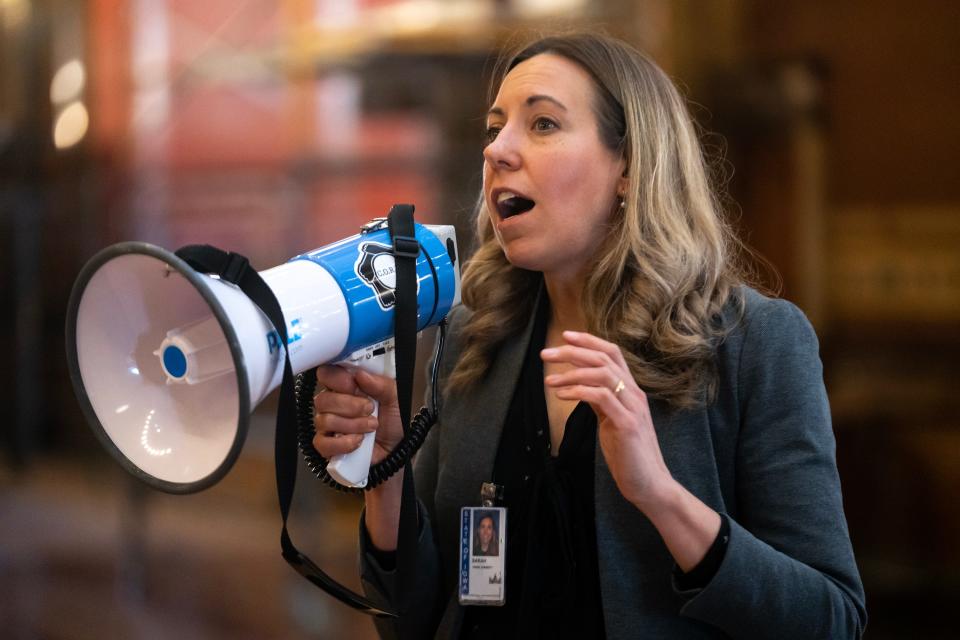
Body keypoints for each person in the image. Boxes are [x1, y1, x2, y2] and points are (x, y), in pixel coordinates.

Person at [311, 31, 866, 639]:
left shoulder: (754, 343)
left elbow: (830, 620)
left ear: (629, 168)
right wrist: (385, 469)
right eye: (494, 128)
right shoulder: (476, 338)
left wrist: (658, 493)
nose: (498, 150)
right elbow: (415, 618)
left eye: (543, 124)